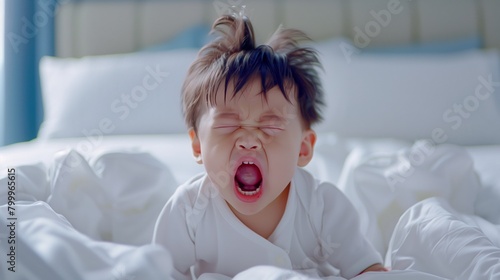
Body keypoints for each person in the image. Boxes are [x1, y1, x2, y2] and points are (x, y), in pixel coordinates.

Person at [153, 13, 386, 279]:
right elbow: (158, 271)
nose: (249, 140)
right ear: (197, 146)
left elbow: (368, 270)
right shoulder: (188, 210)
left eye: (271, 126)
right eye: (228, 124)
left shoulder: (322, 207)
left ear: (303, 148)